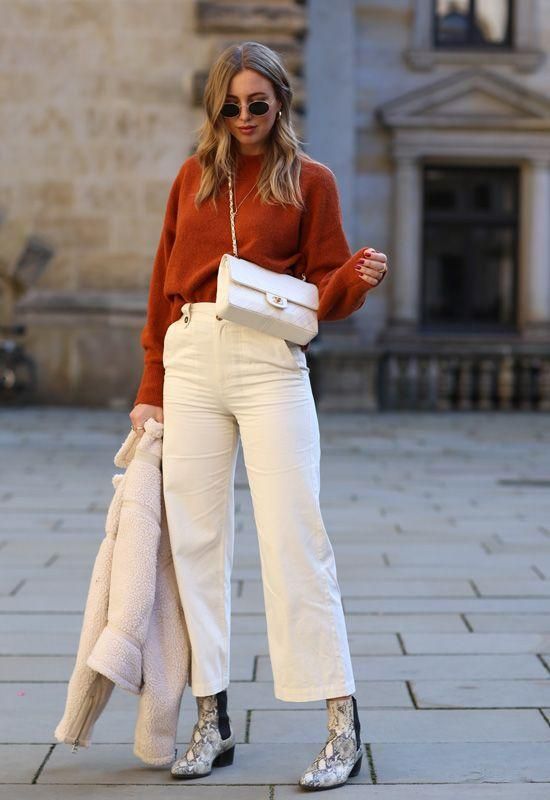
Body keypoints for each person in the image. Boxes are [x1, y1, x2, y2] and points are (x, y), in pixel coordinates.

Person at [130, 40, 388, 791]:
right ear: (215, 108)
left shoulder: (311, 180)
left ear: (281, 103)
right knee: (197, 545)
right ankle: (212, 719)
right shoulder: (192, 178)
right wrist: (150, 384)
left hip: (270, 362)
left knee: (295, 537)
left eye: (257, 104)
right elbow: (162, 285)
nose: (244, 117)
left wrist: (354, 280)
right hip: (191, 359)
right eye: (230, 106)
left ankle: (342, 726)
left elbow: (324, 288)